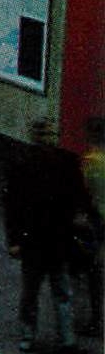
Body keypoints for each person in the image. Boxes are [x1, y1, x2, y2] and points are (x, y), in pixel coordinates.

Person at [2, 117, 90, 354]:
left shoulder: (21, 163)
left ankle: (30, 335)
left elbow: (12, 206)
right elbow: (79, 198)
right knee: (60, 292)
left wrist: (14, 239)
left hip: (34, 242)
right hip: (58, 240)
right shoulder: (68, 162)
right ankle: (66, 341)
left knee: (33, 290)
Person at [80, 117, 104, 336]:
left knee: (94, 273)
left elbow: (85, 192)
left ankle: (96, 319)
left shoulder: (91, 161)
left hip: (97, 221)